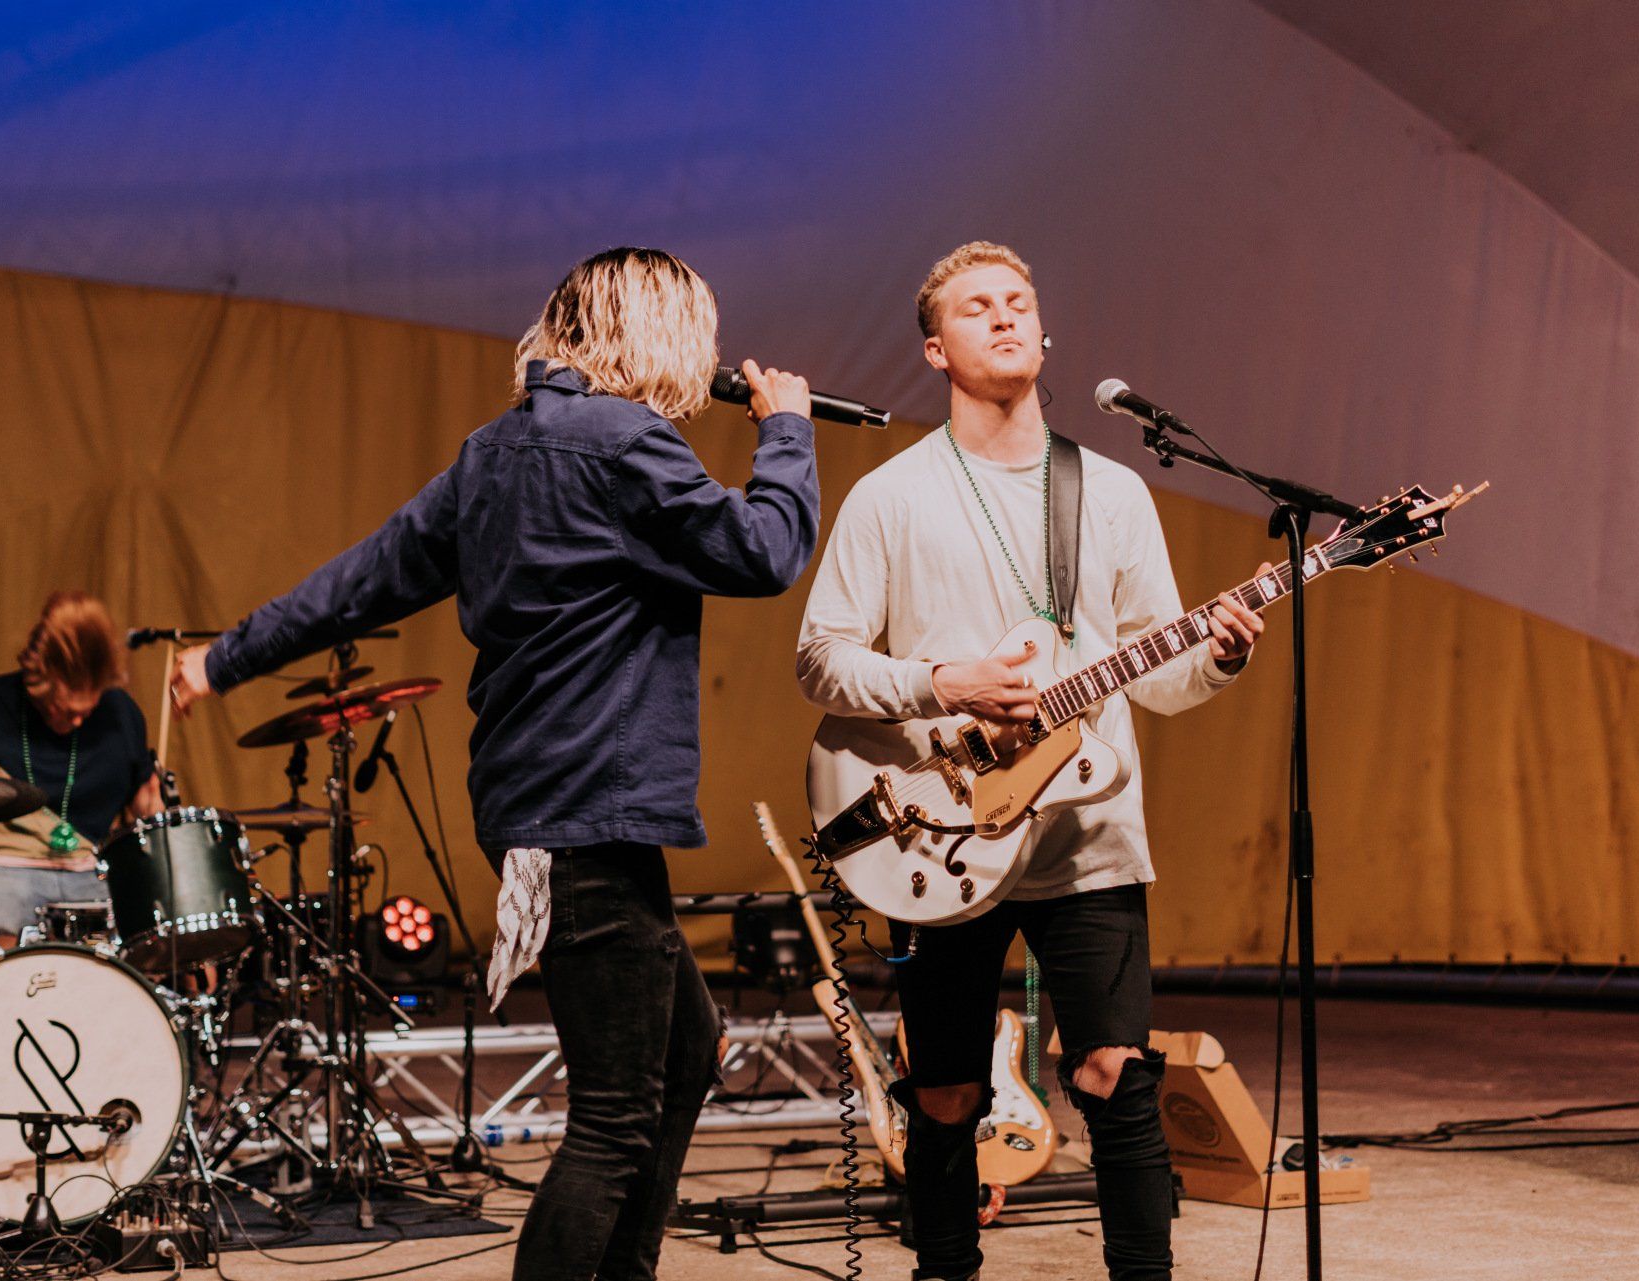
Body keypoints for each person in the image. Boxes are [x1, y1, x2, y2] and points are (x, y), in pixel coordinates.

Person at [169, 246, 819, 1281]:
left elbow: (358, 581)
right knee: (614, 1116)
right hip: (588, 806)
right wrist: (785, 430)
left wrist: (225, 657)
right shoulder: (627, 442)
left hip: (542, 801)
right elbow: (765, 551)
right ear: (657, 333)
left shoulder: (494, 451)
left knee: (686, 1051)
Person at [794, 241, 1265, 1281]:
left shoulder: (1112, 491)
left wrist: (1218, 658)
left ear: (1043, 330)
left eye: (1019, 301)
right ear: (935, 349)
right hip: (940, 829)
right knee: (947, 1091)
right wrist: (943, 684)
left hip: (1088, 835)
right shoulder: (891, 496)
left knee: (1116, 1073)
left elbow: (1158, 676)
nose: (1005, 316)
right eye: (977, 307)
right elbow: (820, 661)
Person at [0, 590, 163, 949]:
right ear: (41, 679)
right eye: (66, 708)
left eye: (87, 710)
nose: (78, 719)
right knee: (4, 952)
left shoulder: (120, 714)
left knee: (149, 932)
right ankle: (6, 980)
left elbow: (149, 814)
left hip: (91, 870)